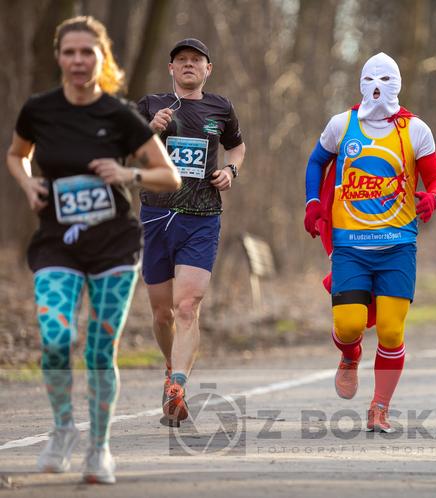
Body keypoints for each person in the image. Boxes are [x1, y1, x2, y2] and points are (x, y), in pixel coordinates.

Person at [6, 16, 180, 483]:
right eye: (70, 52)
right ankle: (63, 429)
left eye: (88, 53)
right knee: (56, 338)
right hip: (56, 244)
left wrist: (128, 175)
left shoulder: (118, 114)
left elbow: (170, 176)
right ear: (59, 57)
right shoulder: (39, 110)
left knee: (101, 351)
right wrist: (27, 184)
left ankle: (99, 448)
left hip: (113, 248)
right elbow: (15, 153)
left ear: (102, 59)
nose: (78, 61)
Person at [303, 52, 436, 432]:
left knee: (391, 330)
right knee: (349, 325)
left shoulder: (416, 130)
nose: (378, 86)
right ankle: (350, 356)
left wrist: (432, 198)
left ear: (398, 83)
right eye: (370, 79)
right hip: (351, 245)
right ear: (360, 83)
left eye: (386, 78)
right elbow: (315, 162)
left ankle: (379, 407)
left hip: (398, 245)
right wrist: (313, 204)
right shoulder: (342, 124)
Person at [136, 38, 246, 427]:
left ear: (207, 69)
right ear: (171, 69)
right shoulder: (150, 105)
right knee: (162, 312)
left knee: (187, 306)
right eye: (181, 60)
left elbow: (237, 147)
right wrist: (151, 129)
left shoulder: (221, 108)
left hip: (202, 216)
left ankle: (178, 386)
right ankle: (171, 366)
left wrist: (230, 172)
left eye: (196, 60)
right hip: (156, 214)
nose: (188, 65)